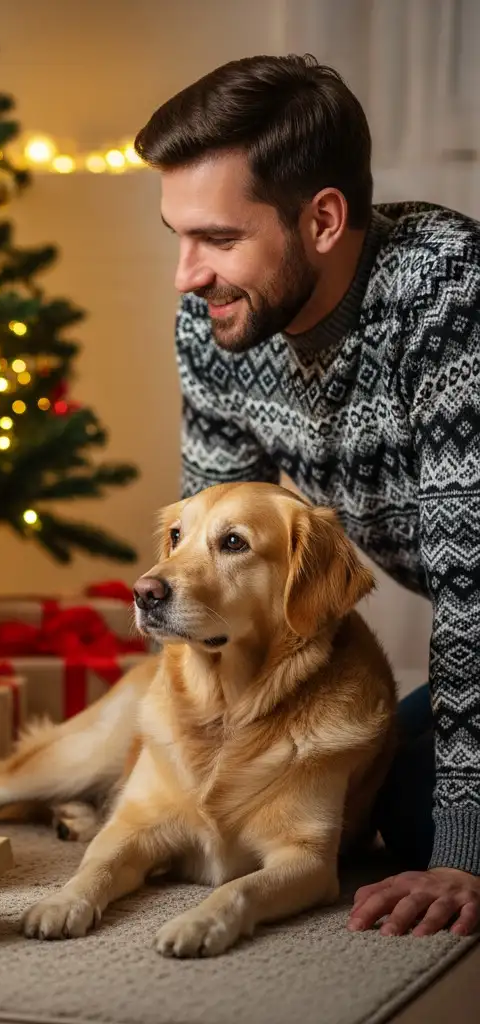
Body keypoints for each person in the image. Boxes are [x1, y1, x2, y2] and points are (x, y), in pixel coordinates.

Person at [133, 54, 480, 938]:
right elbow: (202, 556)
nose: (187, 275)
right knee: (374, 779)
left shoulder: (447, 294)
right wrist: (178, 774)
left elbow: (474, 586)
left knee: (425, 825)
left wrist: (463, 852)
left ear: (322, 219)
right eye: (179, 236)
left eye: (217, 239)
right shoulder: (218, 318)